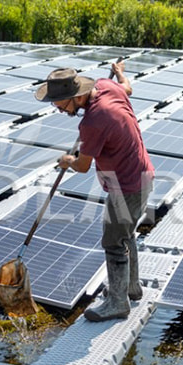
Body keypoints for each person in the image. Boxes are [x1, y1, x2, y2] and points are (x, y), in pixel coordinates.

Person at [34, 62, 154, 321]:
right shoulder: (106, 85)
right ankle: (131, 288)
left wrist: (67, 160)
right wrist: (120, 71)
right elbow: (128, 88)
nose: (57, 107)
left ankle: (117, 303)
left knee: (113, 242)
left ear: (76, 96)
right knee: (125, 235)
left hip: (126, 186)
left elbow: (83, 166)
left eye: (59, 102)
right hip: (142, 176)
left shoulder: (93, 122)